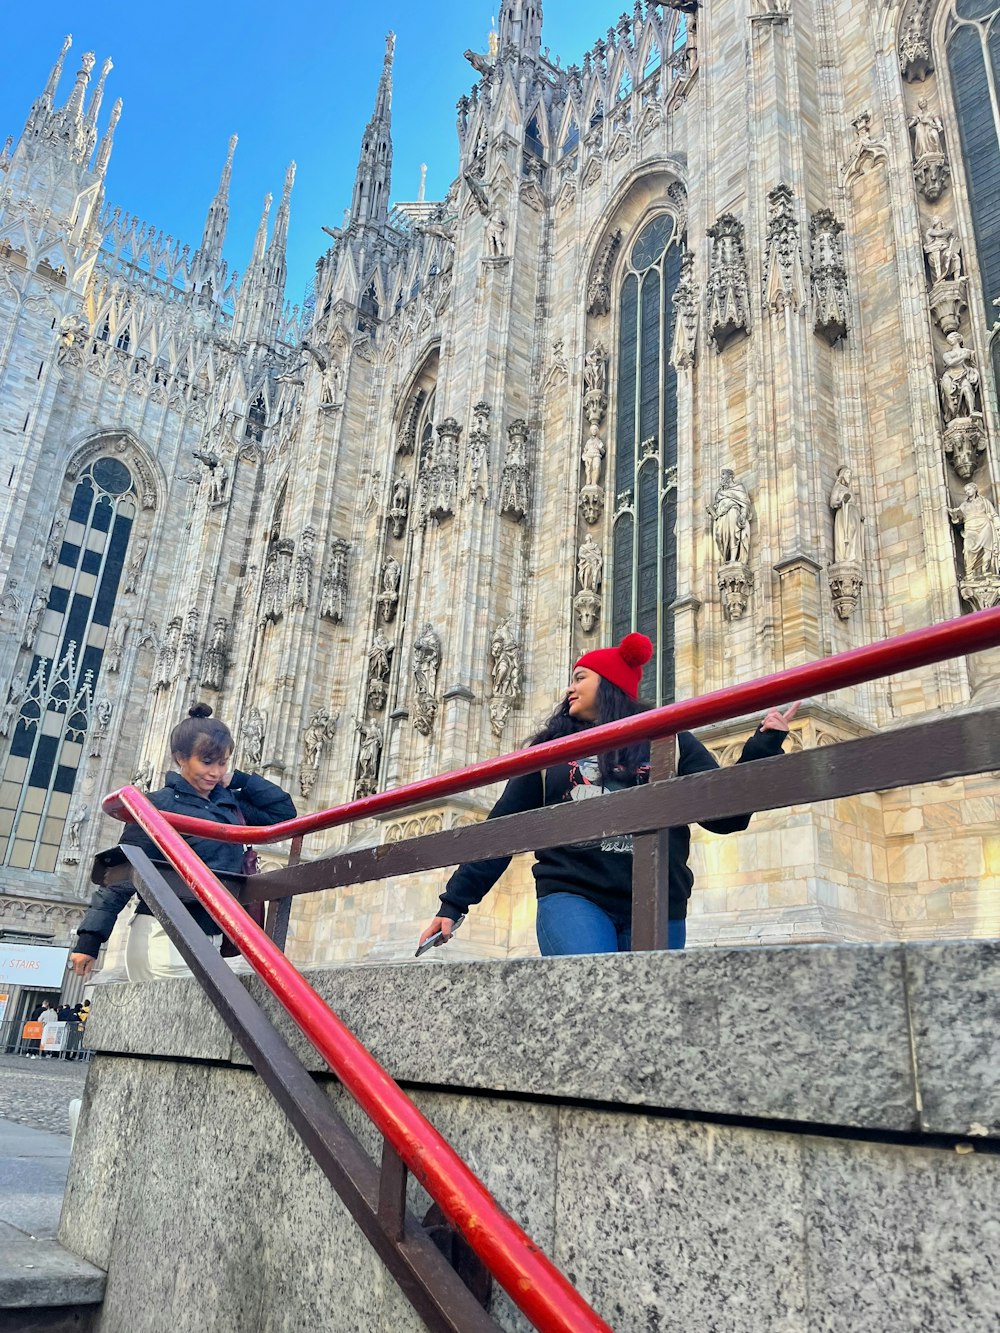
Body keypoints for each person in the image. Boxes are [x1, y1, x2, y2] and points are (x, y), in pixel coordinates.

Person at [418, 633, 798, 956]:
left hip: (658, 899)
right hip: (574, 895)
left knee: (647, 1018)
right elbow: (500, 830)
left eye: (580, 677)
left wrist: (763, 746)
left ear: (610, 684)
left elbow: (727, 816)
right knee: (593, 992)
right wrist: (455, 903)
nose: (570, 687)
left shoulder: (670, 739)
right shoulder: (551, 752)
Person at [68, 703, 296, 984]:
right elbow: (124, 874)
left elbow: (283, 813)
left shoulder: (228, 804)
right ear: (181, 758)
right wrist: (89, 941)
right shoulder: (157, 804)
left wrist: (238, 779)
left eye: (222, 762)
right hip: (163, 933)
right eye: (207, 761)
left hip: (211, 933)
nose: (214, 772)